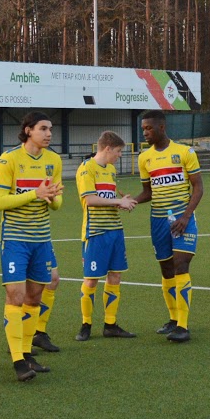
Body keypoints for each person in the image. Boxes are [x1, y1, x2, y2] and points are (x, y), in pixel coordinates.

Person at [0, 111, 64, 378]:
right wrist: (35, 193)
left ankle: (27, 353)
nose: (48, 134)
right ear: (27, 130)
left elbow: (57, 204)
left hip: (42, 239)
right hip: (15, 239)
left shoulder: (54, 160)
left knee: (35, 297)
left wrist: (51, 197)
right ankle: (17, 361)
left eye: (50, 129)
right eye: (43, 129)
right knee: (16, 295)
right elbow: (0, 201)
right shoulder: (9, 159)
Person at [137, 109, 203, 342]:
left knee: (181, 264)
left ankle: (183, 326)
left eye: (149, 128)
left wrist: (185, 216)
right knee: (166, 269)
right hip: (157, 220)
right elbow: (148, 192)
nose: (145, 132)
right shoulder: (144, 158)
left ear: (162, 127)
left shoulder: (185, 152)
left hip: (181, 218)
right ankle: (174, 319)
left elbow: (198, 187)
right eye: (143, 128)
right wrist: (131, 200)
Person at [75, 130, 139, 341]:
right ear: (108, 148)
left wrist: (122, 200)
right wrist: (116, 202)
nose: (120, 155)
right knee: (91, 280)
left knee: (116, 276)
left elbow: (107, 196)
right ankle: (86, 324)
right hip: (96, 232)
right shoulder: (86, 168)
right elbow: (90, 200)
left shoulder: (110, 170)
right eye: (119, 151)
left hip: (115, 230)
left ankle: (110, 324)